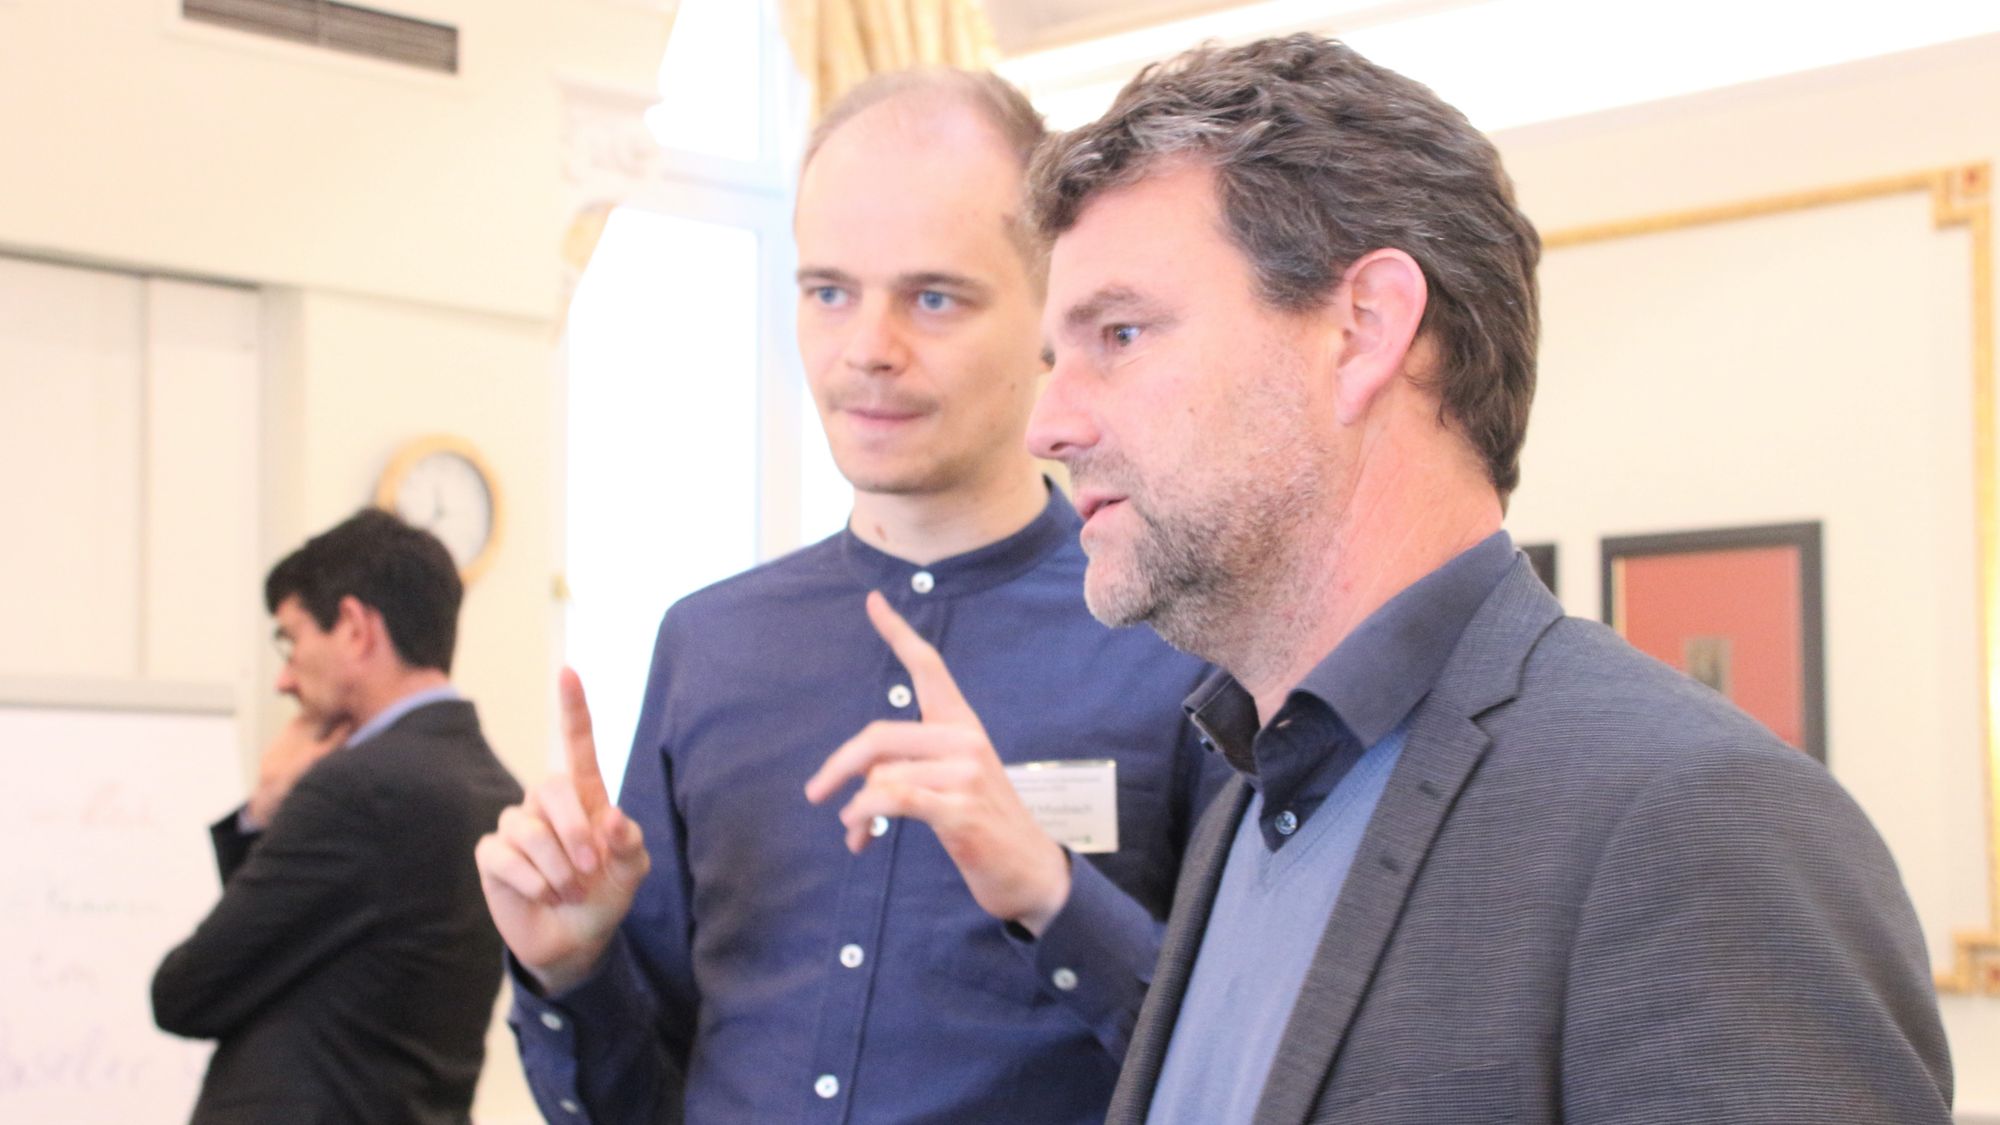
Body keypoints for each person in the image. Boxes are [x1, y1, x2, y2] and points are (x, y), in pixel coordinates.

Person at [1013, 33, 1953, 1124]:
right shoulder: (1252, 806)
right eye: (1053, 359)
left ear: (1362, 332)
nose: (1048, 424)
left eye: (1118, 334)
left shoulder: (1690, 820)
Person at [477, 69, 1223, 1124]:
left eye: (933, 297)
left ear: (1048, 313)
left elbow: (1249, 1067)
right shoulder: (709, 645)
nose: (867, 348)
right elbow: (635, 1101)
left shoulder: (1170, 643)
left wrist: (1050, 896)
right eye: (827, 290)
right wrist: (570, 970)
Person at [152, 509, 524, 1124]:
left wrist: (264, 808)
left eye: (292, 640)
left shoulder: (357, 788)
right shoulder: (496, 788)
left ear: (353, 628)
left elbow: (187, 993)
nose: (283, 678)